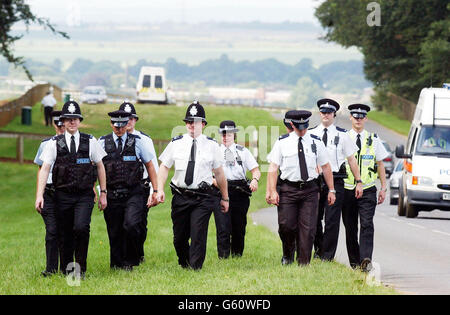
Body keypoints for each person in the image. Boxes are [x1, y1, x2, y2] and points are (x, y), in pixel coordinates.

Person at [35, 100, 108, 278]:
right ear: (64, 121)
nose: (72, 122)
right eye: (68, 119)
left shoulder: (90, 141)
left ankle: (80, 269)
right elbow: (44, 169)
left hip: (84, 196)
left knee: (81, 228)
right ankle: (68, 270)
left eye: (75, 118)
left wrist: (103, 192)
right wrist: (39, 195)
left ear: (79, 120)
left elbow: (100, 166)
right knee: (65, 232)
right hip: (62, 195)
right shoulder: (54, 143)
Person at [156, 101, 229, 270]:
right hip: (180, 196)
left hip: (203, 198)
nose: (191, 125)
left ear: (203, 124)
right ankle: (185, 263)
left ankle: (195, 268)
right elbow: (164, 167)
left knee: (198, 235)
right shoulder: (176, 143)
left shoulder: (212, 146)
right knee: (179, 238)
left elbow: (219, 174)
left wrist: (225, 198)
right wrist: (159, 189)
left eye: (195, 121)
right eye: (189, 121)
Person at [266, 110, 336, 266]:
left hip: (310, 190)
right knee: (286, 226)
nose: (303, 130)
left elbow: (325, 166)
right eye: (299, 127)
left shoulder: (316, 142)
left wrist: (331, 190)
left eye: (305, 127)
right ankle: (288, 254)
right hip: (288, 189)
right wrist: (272, 191)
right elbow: (273, 168)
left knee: (308, 228)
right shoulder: (282, 142)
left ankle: (303, 263)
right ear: (292, 125)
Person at [98, 110, 158, 271]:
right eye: (116, 125)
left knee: (131, 224)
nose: (119, 128)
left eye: (122, 125)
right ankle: (117, 264)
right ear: (111, 124)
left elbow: (150, 166)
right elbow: (95, 167)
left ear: (126, 124)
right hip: (112, 193)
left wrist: (155, 189)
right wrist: (98, 191)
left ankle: (131, 260)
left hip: (134, 193)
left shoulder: (138, 142)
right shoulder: (102, 143)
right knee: (114, 230)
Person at [309, 99, 363, 261]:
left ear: (334, 114)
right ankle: (319, 249)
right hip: (316, 180)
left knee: (332, 219)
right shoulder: (311, 133)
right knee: (314, 217)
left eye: (329, 112)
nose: (326, 115)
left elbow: (352, 159)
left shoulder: (342, 134)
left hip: (336, 178)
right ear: (320, 114)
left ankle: (327, 256)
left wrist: (358, 180)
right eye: (323, 112)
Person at [342, 104, 388, 272]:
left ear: (366, 118)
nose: (359, 119)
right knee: (350, 227)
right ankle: (355, 263)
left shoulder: (374, 139)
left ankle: (365, 260)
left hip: (368, 188)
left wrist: (383, 187)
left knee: (367, 224)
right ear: (351, 118)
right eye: (355, 116)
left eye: (362, 117)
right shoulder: (343, 138)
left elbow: (380, 164)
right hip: (347, 189)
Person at [213, 120, 261, 258]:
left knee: (238, 226)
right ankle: (223, 257)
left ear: (234, 135)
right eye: (223, 134)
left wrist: (255, 180)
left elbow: (256, 170)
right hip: (220, 190)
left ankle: (237, 255)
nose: (225, 137)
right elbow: (205, 171)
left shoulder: (243, 151)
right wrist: (213, 180)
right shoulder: (215, 152)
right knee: (223, 226)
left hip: (239, 191)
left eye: (228, 134)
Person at [119, 101, 159, 264]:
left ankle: (137, 254)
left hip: (141, 187)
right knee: (123, 224)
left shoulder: (144, 139)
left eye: (131, 118)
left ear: (135, 120)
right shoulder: (112, 139)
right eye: (125, 118)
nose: (128, 121)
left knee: (138, 224)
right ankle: (126, 256)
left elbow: (153, 166)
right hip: (119, 188)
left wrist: (154, 191)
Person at [34, 110, 65, 276]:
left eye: (63, 124)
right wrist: (38, 195)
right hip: (49, 192)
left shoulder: (75, 145)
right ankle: (51, 268)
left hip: (67, 192)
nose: (60, 127)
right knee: (52, 230)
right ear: (54, 124)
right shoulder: (46, 144)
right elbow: (41, 170)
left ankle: (66, 267)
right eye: (57, 124)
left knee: (66, 230)